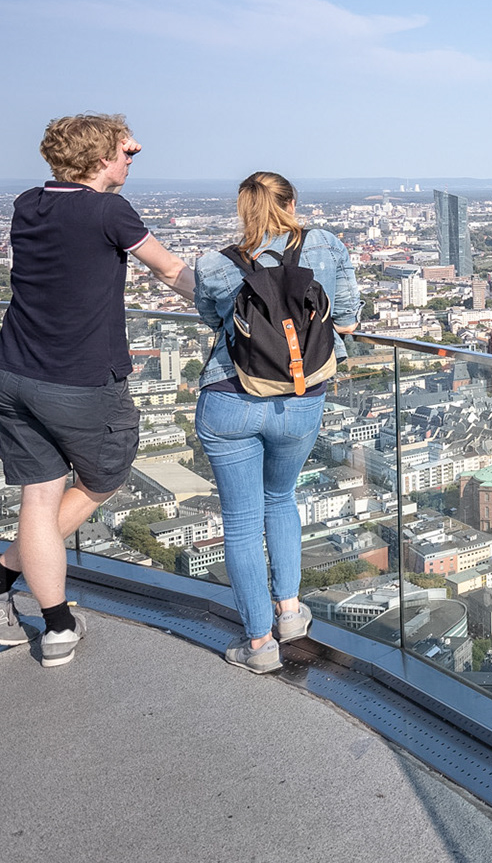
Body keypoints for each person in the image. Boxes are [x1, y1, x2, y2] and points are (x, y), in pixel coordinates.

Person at [0, 114, 193, 667]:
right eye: (127, 151)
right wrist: (240, 308)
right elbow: (173, 272)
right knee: (103, 480)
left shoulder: (29, 202)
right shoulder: (108, 210)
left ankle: (54, 627)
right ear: (103, 157)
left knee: (42, 494)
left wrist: (113, 147)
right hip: (77, 381)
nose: (134, 153)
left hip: (10, 372)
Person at [193, 172, 357, 673]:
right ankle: (289, 613)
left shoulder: (216, 263)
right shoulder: (326, 245)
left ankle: (259, 645)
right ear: (294, 202)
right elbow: (346, 319)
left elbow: (214, 319)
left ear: (243, 208)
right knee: (281, 499)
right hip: (301, 397)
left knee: (242, 523)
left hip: (230, 397)